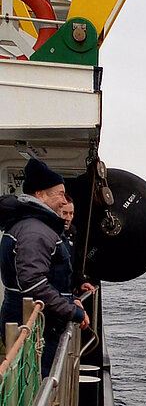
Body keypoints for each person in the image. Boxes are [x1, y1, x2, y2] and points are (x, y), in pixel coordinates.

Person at [0, 158, 90, 376]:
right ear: (40, 194)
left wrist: (69, 298)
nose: (63, 200)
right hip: (35, 326)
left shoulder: (36, 226)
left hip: (39, 320)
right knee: (38, 383)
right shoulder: (35, 231)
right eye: (59, 193)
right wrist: (72, 311)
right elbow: (33, 283)